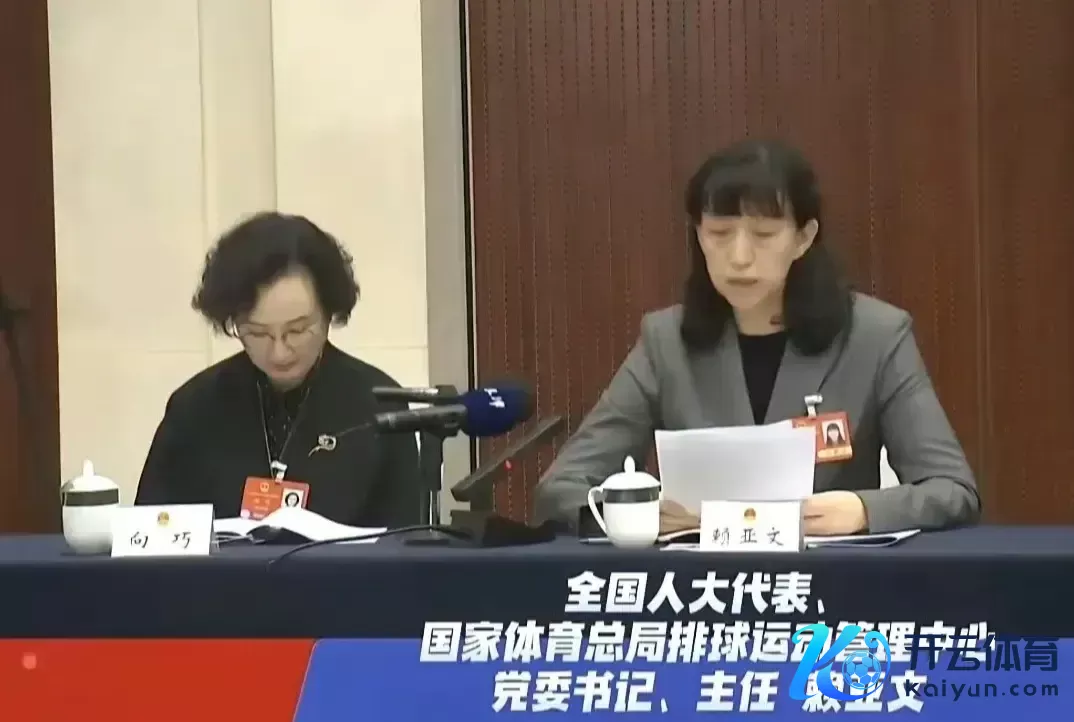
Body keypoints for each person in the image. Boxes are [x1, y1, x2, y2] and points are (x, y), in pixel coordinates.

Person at [535, 139, 980, 536]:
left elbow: (952, 489)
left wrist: (865, 510)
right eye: (719, 234)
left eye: (764, 235)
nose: (740, 257)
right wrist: (635, 515)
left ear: (804, 238)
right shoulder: (665, 342)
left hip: (831, 587)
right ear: (698, 236)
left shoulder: (875, 336)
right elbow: (561, 488)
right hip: (702, 590)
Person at [135, 212, 422, 527]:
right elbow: (151, 532)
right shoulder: (194, 408)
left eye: (297, 331)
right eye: (257, 333)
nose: (279, 352)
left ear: (329, 313)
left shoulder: (379, 408)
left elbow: (404, 540)